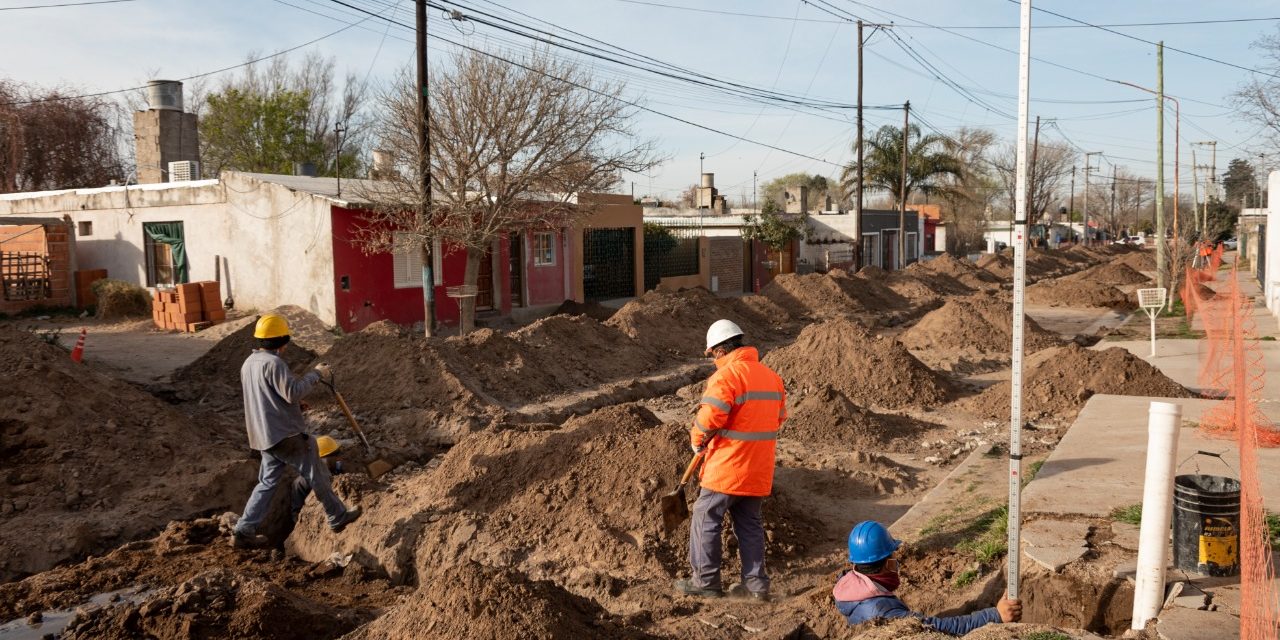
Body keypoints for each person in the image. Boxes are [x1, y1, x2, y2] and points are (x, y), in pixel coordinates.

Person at [673, 319, 787, 601]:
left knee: (705, 515)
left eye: (712, 355)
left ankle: (706, 581)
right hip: (758, 466)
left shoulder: (727, 377)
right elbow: (779, 417)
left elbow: (711, 417)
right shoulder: (771, 377)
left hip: (729, 464)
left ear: (720, 350)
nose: (713, 361)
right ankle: (756, 586)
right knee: (749, 522)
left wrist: (697, 440)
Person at [231, 314, 361, 549]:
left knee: (267, 483)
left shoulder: (249, 363)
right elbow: (293, 391)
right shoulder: (274, 363)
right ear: (283, 340)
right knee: (317, 472)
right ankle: (337, 515)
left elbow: (266, 396)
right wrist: (317, 373)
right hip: (286, 434)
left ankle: (244, 529)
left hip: (263, 435)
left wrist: (292, 406)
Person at [834, 521, 1022, 636]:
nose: (896, 561)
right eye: (892, 557)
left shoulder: (852, 588)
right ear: (885, 563)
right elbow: (938, 629)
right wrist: (995, 615)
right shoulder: (882, 611)